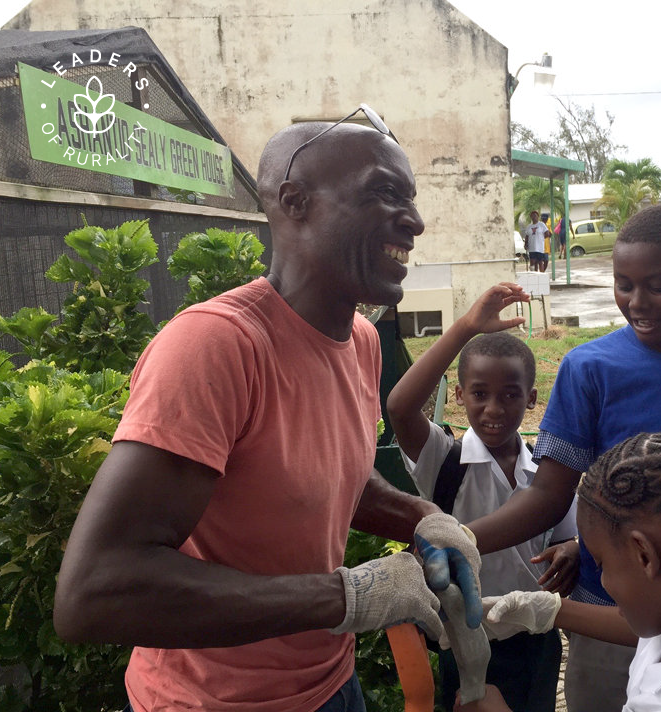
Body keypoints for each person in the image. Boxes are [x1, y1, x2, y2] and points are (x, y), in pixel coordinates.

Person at [52, 117, 483, 712]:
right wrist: (348, 598)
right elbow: (94, 593)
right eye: (385, 193)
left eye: (410, 200)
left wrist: (420, 517)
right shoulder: (218, 346)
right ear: (294, 201)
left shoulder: (361, 339)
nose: (414, 221)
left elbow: (328, 478)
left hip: (332, 686)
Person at [467, 205, 661, 712]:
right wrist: (460, 542)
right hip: (612, 614)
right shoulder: (591, 367)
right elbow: (549, 493)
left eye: (658, 286)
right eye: (624, 284)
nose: (636, 301)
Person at [457, 432, 661, 712]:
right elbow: (640, 631)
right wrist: (544, 610)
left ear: (644, 556)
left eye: (602, 566)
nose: (604, 584)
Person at [386, 282, 580, 712]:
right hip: (467, 641)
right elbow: (400, 407)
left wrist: (571, 549)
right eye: (479, 393)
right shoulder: (444, 459)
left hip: (537, 639)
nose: (494, 408)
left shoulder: (545, 474)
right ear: (458, 396)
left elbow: (567, 535)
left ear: (531, 399)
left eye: (510, 395)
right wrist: (466, 328)